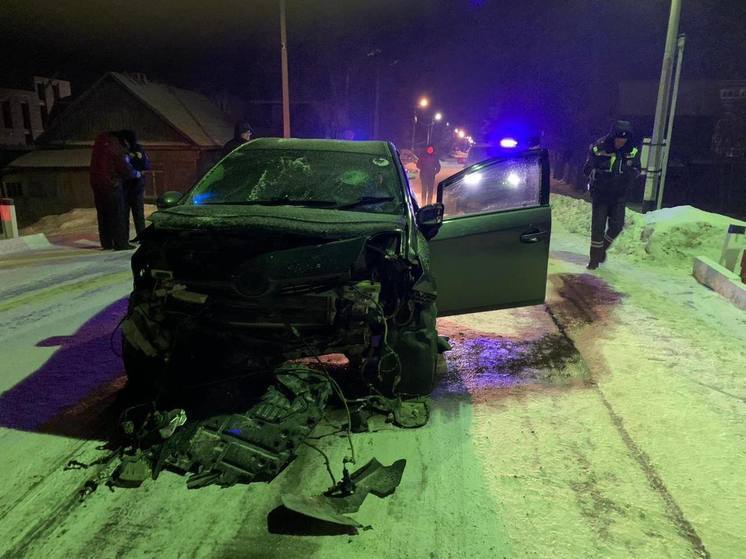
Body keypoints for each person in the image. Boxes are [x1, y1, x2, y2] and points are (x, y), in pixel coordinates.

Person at [582, 120, 640, 269]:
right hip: (601, 194)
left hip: (619, 196)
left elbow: (637, 169)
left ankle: (601, 250)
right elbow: (587, 169)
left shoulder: (632, 151)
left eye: (624, 139)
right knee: (598, 228)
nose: (621, 141)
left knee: (617, 226)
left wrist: (628, 175)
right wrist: (600, 173)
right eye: (618, 138)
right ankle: (594, 260)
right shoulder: (599, 148)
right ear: (613, 136)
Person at [90, 131, 141, 250]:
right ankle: (121, 243)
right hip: (112, 184)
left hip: (97, 184)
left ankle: (107, 242)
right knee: (118, 214)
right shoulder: (115, 145)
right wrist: (135, 173)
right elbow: (123, 166)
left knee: (103, 215)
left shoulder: (100, 143)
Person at [119, 130, 150, 241]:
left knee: (134, 213)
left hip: (133, 185)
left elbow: (146, 165)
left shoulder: (131, 151)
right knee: (134, 213)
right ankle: (135, 237)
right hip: (133, 184)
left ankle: (139, 237)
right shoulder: (134, 150)